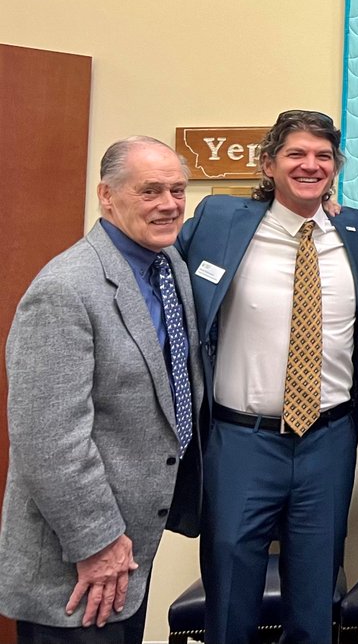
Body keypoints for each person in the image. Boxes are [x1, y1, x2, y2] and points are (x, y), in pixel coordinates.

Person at [177, 110, 358, 644]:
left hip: (327, 442)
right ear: (268, 163)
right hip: (243, 442)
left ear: (335, 168)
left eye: (323, 156)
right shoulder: (220, 219)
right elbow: (165, 277)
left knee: (315, 601)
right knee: (230, 599)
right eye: (296, 154)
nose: (310, 166)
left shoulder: (353, 230)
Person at [0, 137, 202, 642]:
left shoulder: (169, 265)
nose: (169, 204)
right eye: (150, 190)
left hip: (135, 543)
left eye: (178, 189)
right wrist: (99, 542)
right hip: (81, 558)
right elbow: (48, 442)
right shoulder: (65, 289)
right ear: (106, 196)